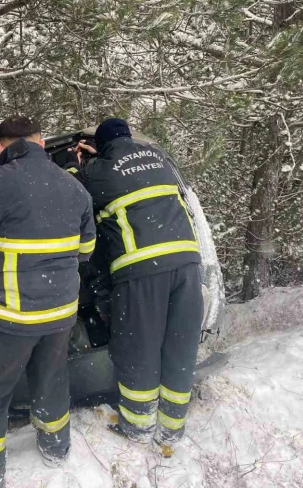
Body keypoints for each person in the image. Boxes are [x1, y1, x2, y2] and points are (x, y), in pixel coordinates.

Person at [0, 115, 96, 488]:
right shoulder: (74, 188)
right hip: (60, 314)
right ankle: (56, 447)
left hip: (8, 316)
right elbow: (87, 250)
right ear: (41, 143)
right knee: (51, 380)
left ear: (0, 146)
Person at [65, 118, 203, 451]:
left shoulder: (100, 171)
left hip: (142, 268)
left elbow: (71, 192)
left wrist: (74, 163)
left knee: (139, 348)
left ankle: (138, 425)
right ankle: (172, 430)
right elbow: (130, 171)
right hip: (187, 265)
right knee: (179, 348)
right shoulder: (160, 161)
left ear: (99, 145)